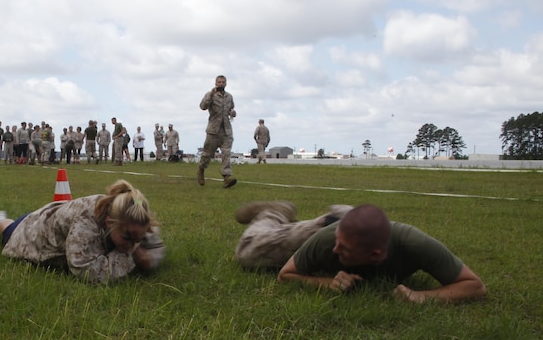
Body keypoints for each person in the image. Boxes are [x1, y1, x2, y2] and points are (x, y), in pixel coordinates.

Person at [274, 203, 486, 303]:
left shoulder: (414, 243)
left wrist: (421, 297)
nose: (335, 250)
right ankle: (273, 213)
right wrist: (326, 282)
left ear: (375, 255)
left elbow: (475, 286)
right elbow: (285, 275)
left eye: (345, 249)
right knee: (251, 256)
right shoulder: (328, 240)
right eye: (338, 243)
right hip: (316, 229)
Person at [0, 179, 165, 284]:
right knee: (6, 228)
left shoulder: (135, 216)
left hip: (53, 216)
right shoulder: (85, 223)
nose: (133, 244)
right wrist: (131, 257)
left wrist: (148, 257)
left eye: (138, 239)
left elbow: (155, 246)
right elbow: (86, 271)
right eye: (127, 237)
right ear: (109, 222)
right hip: (31, 232)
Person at [198, 75, 237, 187]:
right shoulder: (210, 95)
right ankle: (201, 169)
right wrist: (211, 94)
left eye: (223, 82)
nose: (221, 84)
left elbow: (231, 109)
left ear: (226, 83)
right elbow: (203, 106)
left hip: (226, 130)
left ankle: (226, 178)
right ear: (215, 83)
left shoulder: (229, 97)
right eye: (219, 82)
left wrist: (232, 113)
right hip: (213, 130)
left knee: (226, 153)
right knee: (207, 154)